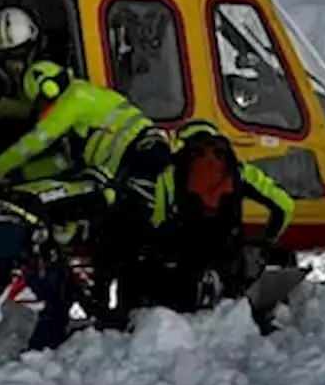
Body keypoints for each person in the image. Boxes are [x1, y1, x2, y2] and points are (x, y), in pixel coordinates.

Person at [0, 60, 172, 352]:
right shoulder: (90, 122)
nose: (45, 114)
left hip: (133, 171)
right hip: (116, 182)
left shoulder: (76, 98)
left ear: (49, 89)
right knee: (67, 291)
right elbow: (62, 164)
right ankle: (50, 348)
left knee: (124, 245)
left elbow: (37, 141)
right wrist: (17, 175)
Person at [104, 119, 296, 328]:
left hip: (185, 259)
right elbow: (284, 206)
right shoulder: (239, 171)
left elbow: (157, 220)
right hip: (229, 253)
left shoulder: (170, 173)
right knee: (282, 255)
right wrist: (266, 242)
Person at [0, 7, 43, 153]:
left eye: (19, 52)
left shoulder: (46, 66)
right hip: (11, 143)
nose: (14, 60)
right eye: (7, 55)